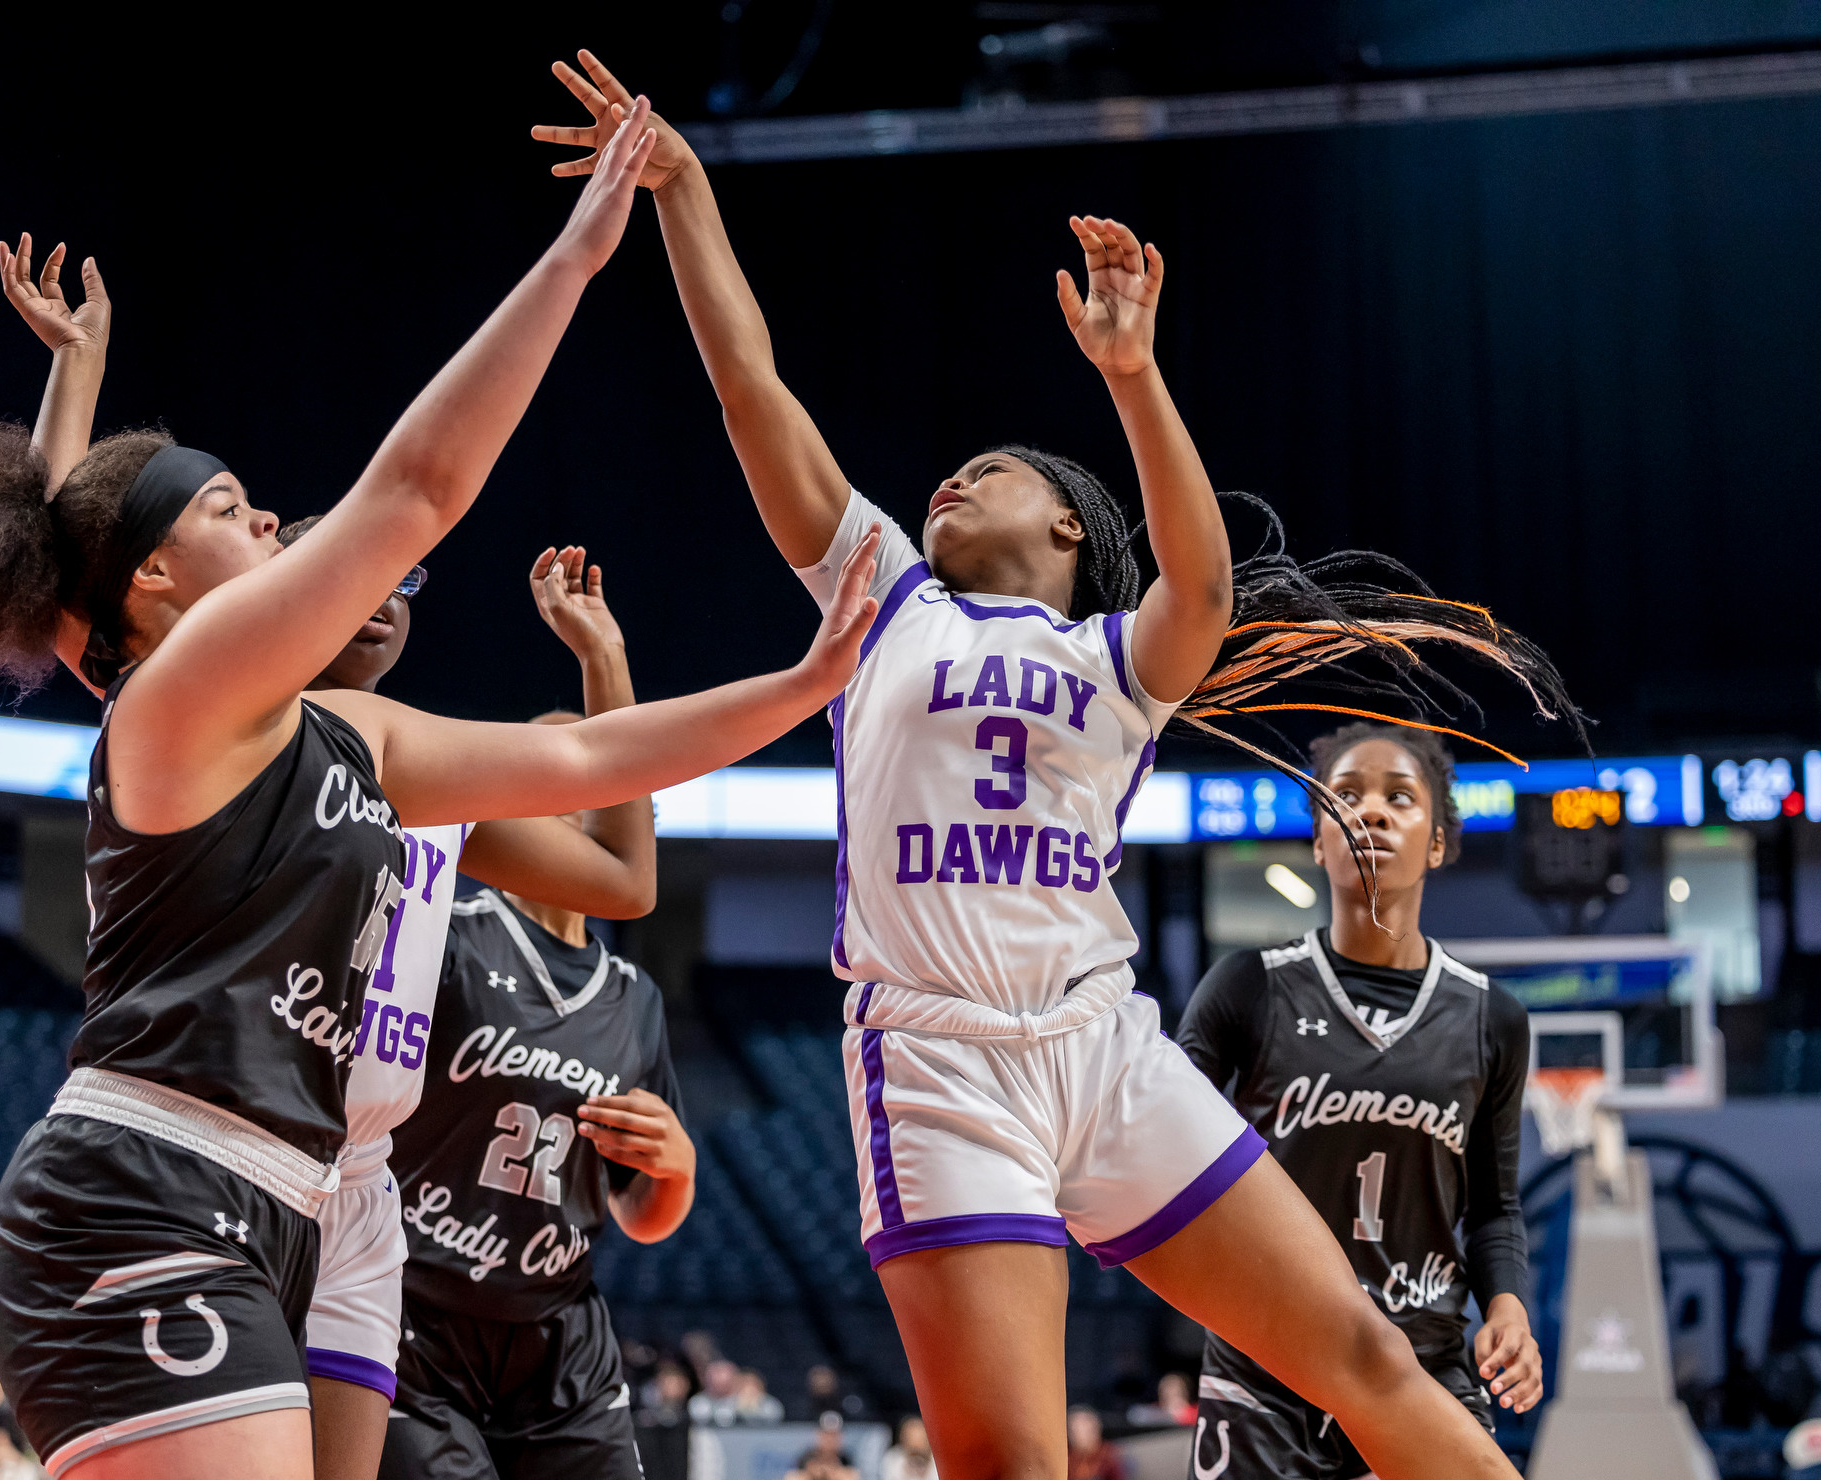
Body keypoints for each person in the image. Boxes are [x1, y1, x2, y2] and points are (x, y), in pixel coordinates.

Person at [531, 50, 1580, 1480]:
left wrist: (1132, 377)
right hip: (940, 1060)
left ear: (1073, 530)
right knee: (1007, 1464)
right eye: (945, 474)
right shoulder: (884, 596)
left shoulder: (1121, 660)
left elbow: (1202, 587)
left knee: (1369, 1358)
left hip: (1100, 1043)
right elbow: (748, 388)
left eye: (992, 470)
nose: (946, 481)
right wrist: (685, 192)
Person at [0, 99, 883, 1480]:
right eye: (231, 506)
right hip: (151, 1185)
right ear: (158, 587)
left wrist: (804, 683)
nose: (266, 519)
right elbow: (413, 489)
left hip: (319, 1195)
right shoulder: (176, 702)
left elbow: (593, 765)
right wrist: (575, 257)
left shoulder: (346, 734)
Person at [2, 237, 668, 1480]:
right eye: (304, 555)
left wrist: (606, 665)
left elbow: (620, 870)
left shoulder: (424, 770)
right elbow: (76, 576)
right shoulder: (217, 719)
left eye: (401, 580)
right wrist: (80, 383)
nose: (373, 588)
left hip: (357, 1187)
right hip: (226, 1145)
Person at [1177, 726, 1542, 1479]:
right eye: (1345, 796)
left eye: (1399, 798)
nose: (1370, 813)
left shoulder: (1490, 1018)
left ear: (1438, 843)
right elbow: (1161, 1146)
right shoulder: (1248, 988)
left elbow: (1494, 1207)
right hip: (1267, 1371)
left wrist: (1508, 1307)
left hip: (1422, 1363)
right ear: (1317, 841)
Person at [377, 696, 698, 1480]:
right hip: (413, 1316)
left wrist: (676, 1169)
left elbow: (640, 1216)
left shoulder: (635, 997)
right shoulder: (448, 932)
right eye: (573, 761)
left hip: (559, 1334)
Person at [1064, 1409, 1124, 1480]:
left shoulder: (1109, 1455)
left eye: (1086, 1430)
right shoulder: (1067, 1458)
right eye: (1073, 1431)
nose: (1079, 1435)